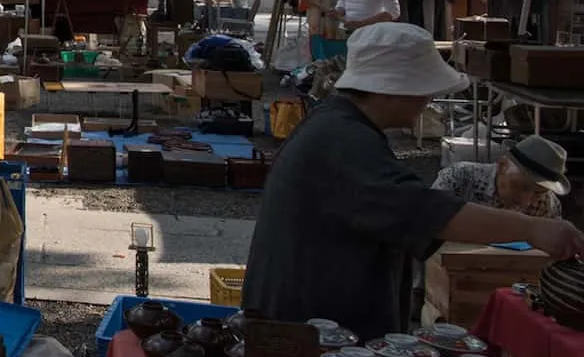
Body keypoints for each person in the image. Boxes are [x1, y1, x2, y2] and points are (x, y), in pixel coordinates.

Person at [244, 23, 584, 340]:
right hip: (307, 333)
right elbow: (425, 211)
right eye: (423, 92)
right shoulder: (344, 141)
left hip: (307, 322)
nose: (427, 102)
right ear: (392, 90)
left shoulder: (340, 126)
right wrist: (532, 229)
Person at [433, 135, 568, 219]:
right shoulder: (458, 178)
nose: (526, 200)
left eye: (539, 193)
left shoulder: (548, 204)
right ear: (502, 165)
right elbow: (426, 224)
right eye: (521, 186)